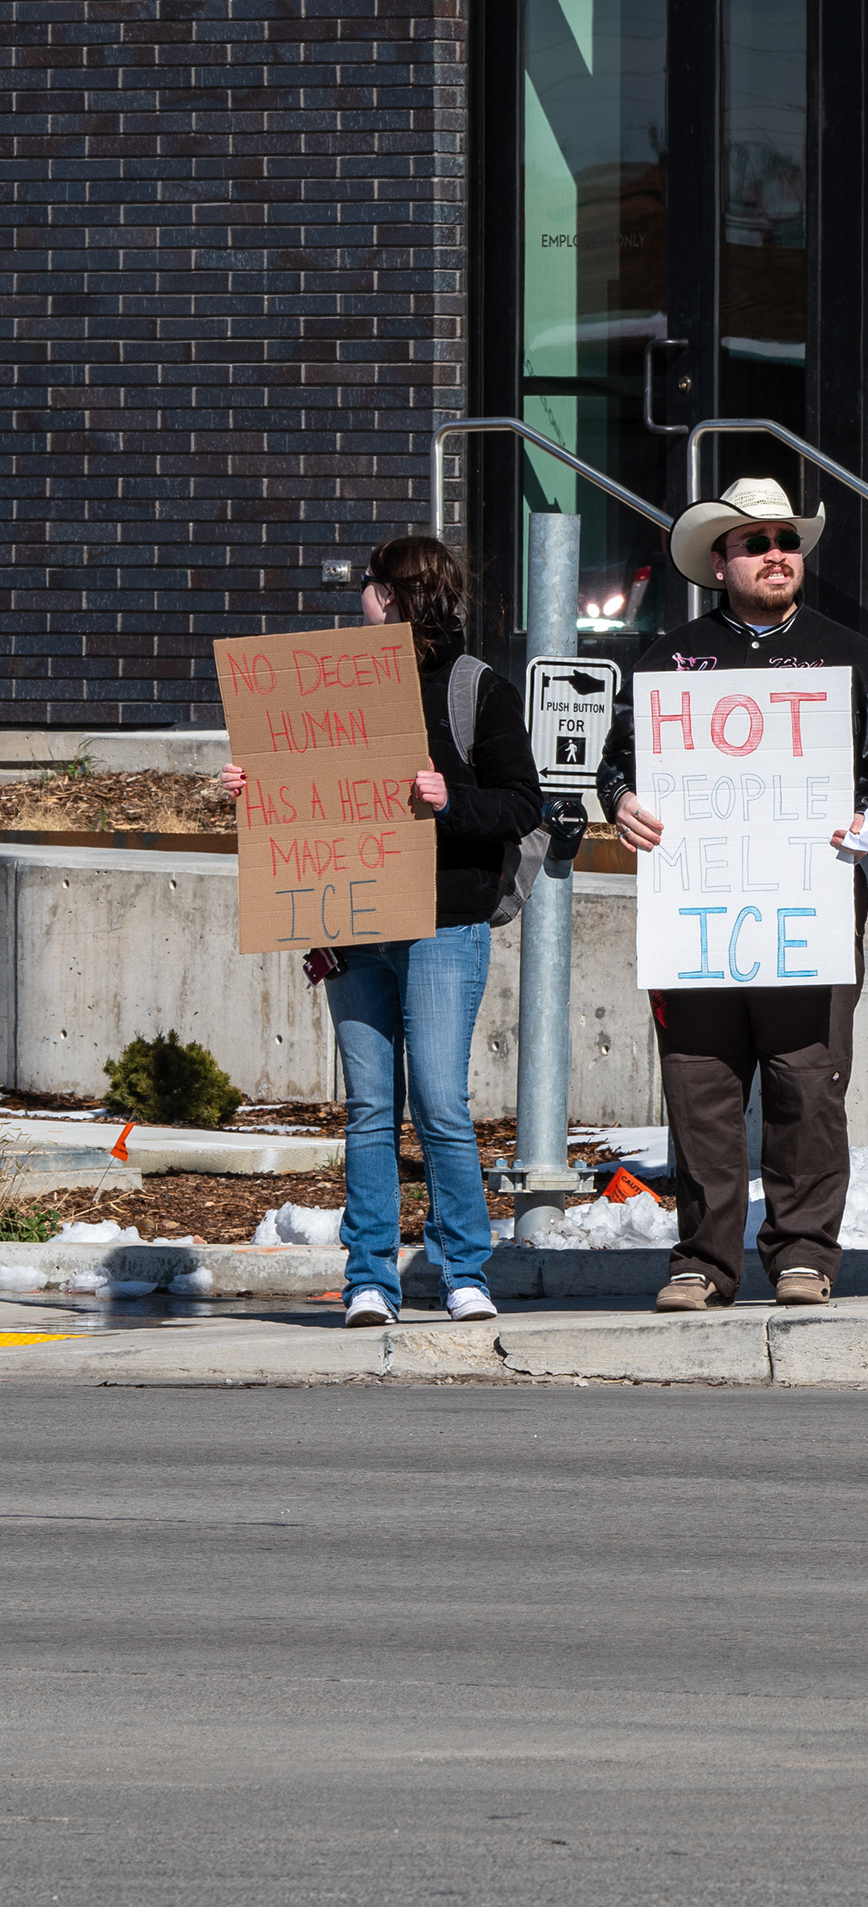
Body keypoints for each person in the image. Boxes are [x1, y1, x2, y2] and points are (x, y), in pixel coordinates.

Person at [596, 476, 868, 1314]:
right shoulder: (668, 659)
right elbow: (618, 765)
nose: (777, 555)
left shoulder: (850, 653)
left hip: (812, 900)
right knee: (700, 1085)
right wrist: (621, 803)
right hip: (696, 910)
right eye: (756, 543)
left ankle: (804, 1255)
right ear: (718, 563)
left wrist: (866, 811)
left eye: (786, 540)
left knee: (807, 1082)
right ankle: (703, 1260)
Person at [223, 537, 542, 1328]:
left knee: (438, 1102)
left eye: (366, 584)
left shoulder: (476, 690)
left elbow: (523, 804)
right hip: (352, 920)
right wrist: (251, 789)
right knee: (370, 1107)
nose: (357, 596)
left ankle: (463, 1270)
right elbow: (306, 797)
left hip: (442, 922)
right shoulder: (326, 690)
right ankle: (370, 1279)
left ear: (396, 595)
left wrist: (447, 798)